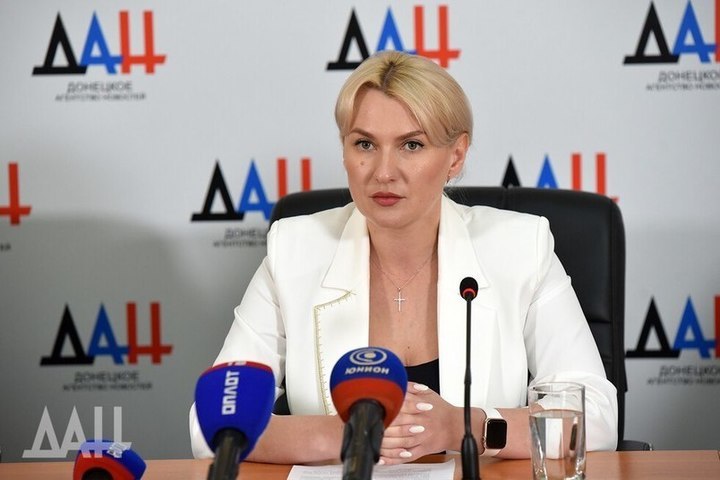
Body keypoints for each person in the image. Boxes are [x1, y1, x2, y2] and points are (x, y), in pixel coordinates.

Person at [189, 50, 618, 464]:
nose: (383, 172)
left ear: (456, 156)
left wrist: (466, 428)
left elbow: (595, 417)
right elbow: (209, 425)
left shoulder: (520, 247)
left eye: (411, 145)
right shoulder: (295, 251)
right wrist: (345, 435)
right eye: (364, 144)